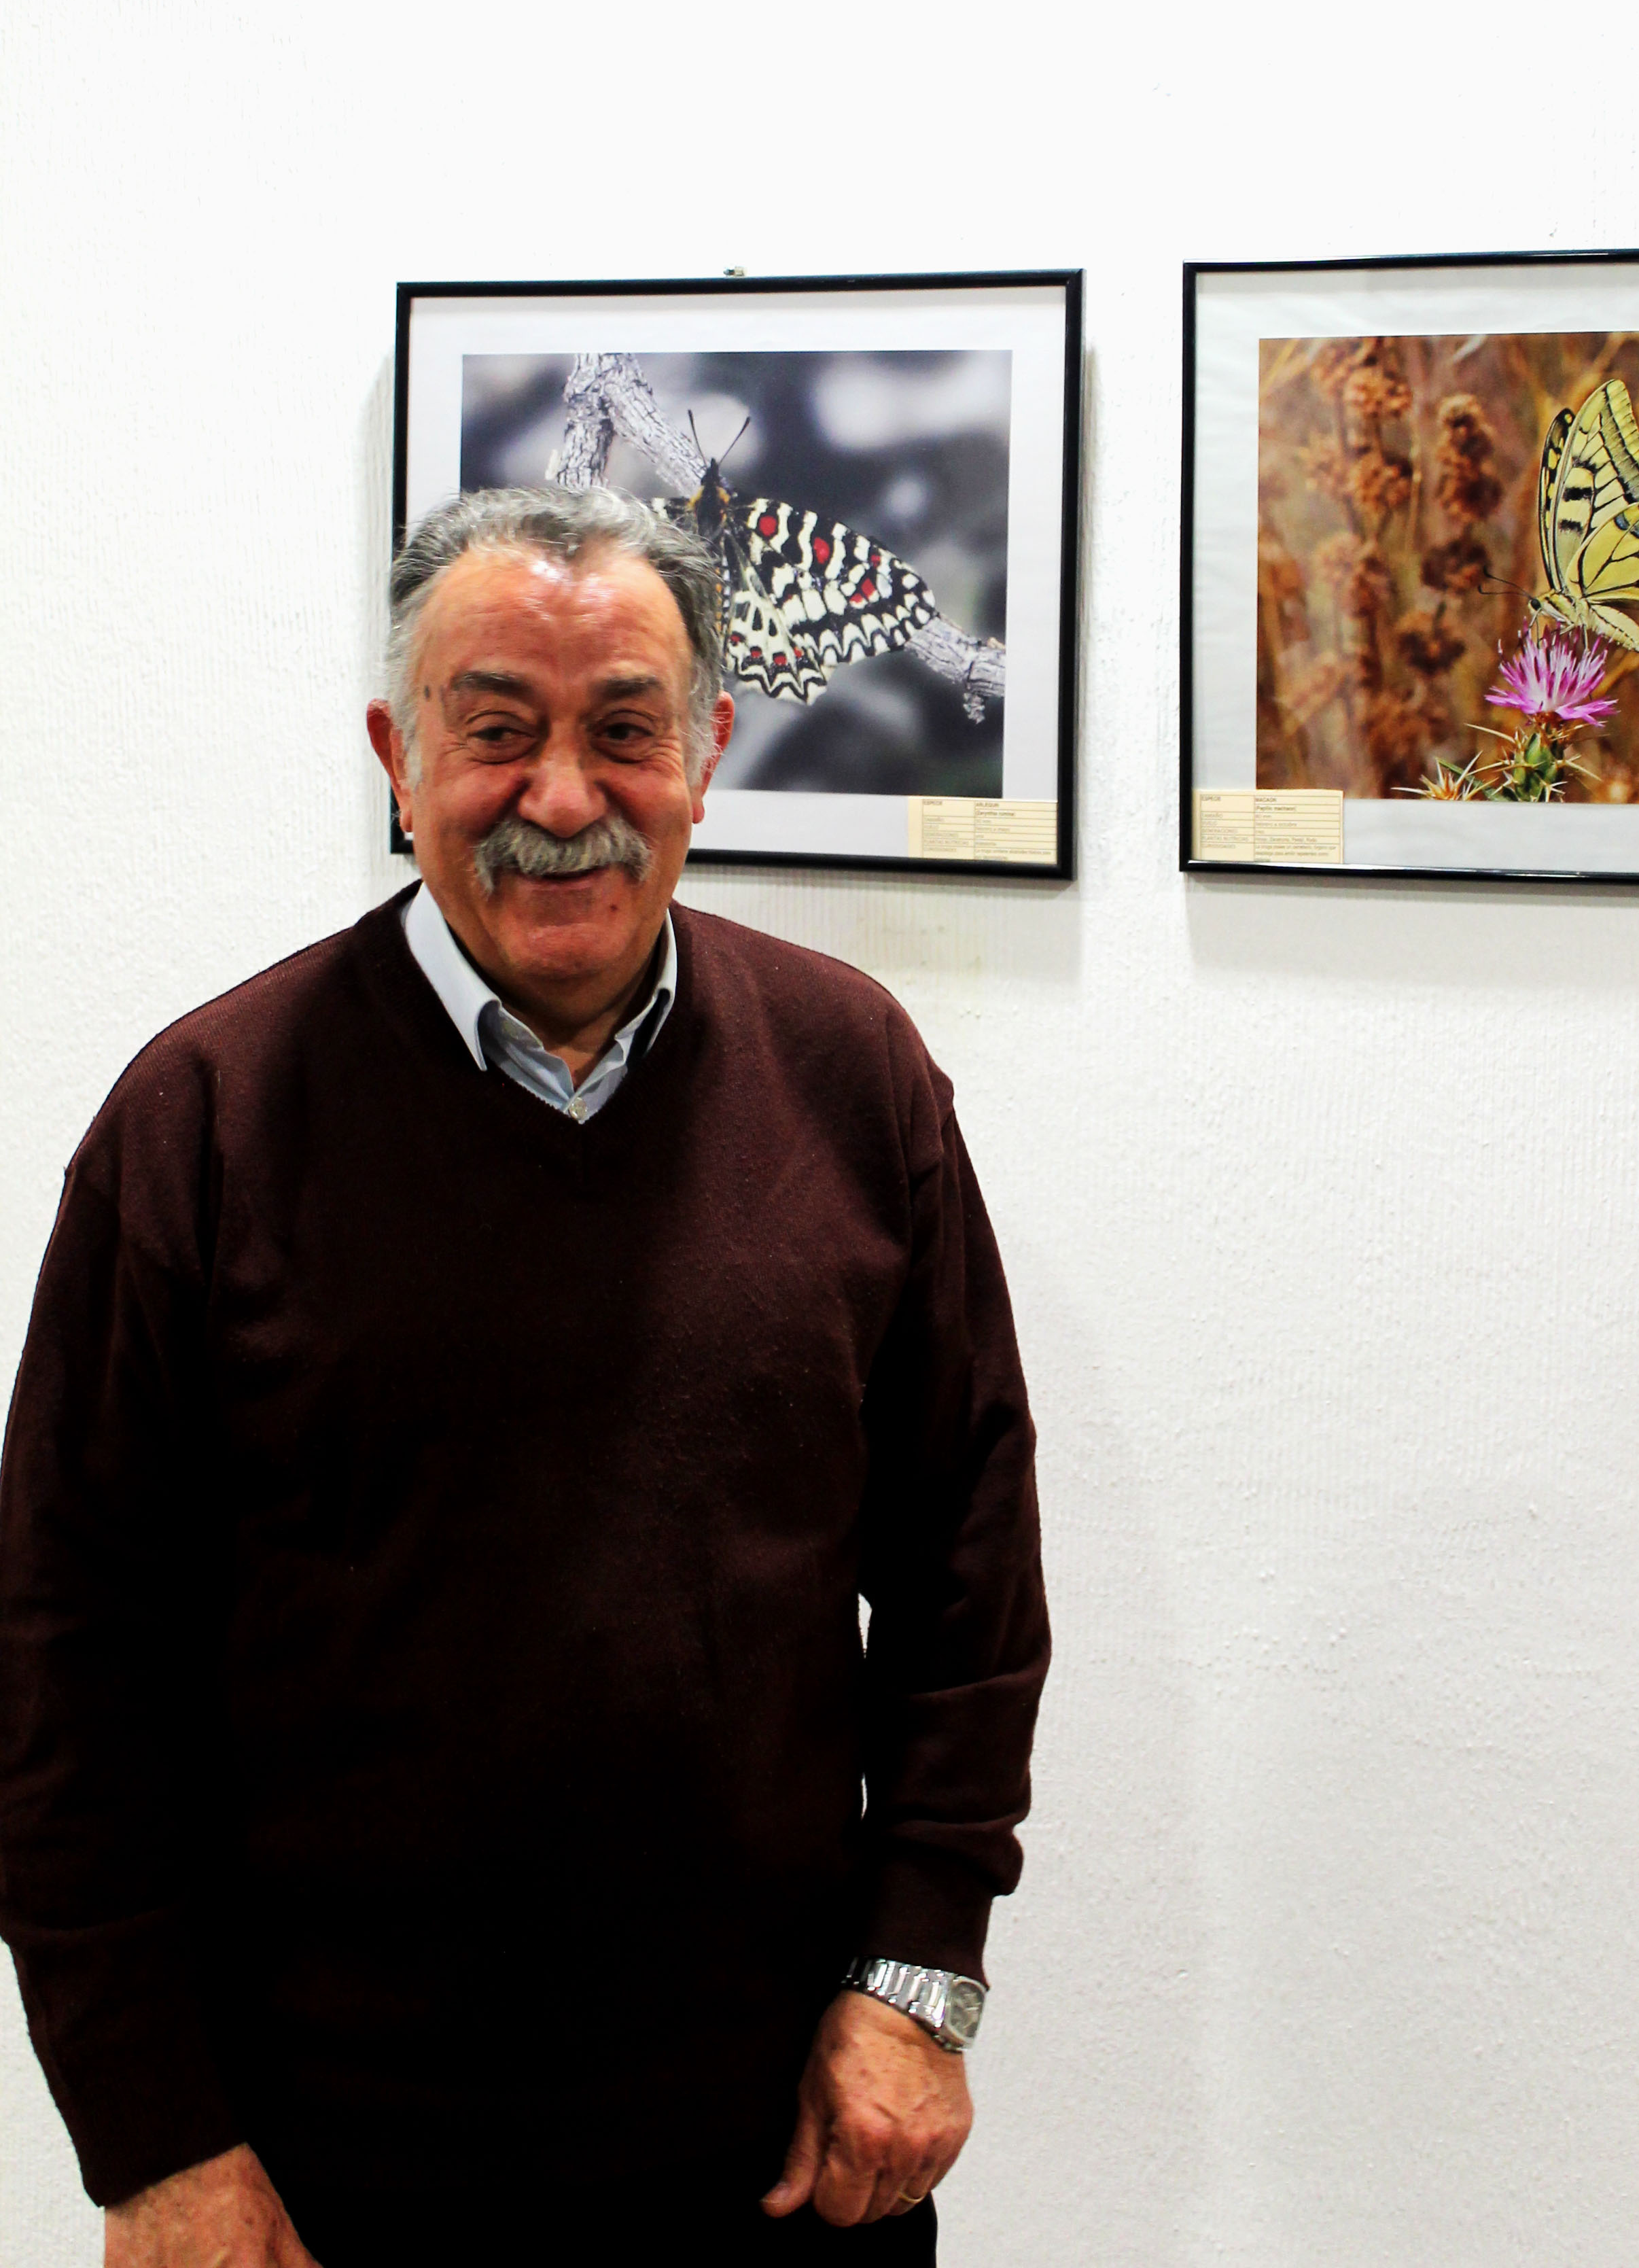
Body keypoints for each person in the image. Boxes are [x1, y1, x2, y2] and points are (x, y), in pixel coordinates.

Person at [0, 486, 1050, 2266]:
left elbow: (970, 1576)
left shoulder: (853, 1078)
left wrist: (919, 1978)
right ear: (396, 756)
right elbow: (66, 1667)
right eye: (497, 731)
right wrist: (151, 2137)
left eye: (623, 730)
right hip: (329, 2175)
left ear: (710, 751)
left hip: (780, 2149)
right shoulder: (203, 1124)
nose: (563, 800)